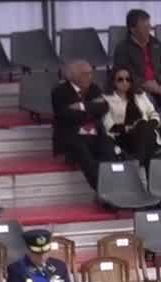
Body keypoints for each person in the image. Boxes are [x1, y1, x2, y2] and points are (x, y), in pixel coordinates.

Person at [50, 60, 113, 192]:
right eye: (85, 74)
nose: (90, 77)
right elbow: (66, 116)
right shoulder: (59, 91)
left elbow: (104, 107)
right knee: (84, 152)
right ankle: (102, 190)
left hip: (94, 132)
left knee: (108, 147)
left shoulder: (94, 88)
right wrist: (91, 110)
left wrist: (81, 106)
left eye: (90, 73)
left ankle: (116, 185)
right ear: (72, 76)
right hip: (72, 135)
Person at [112, 9, 161, 112]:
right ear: (133, 29)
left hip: (158, 86)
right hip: (139, 89)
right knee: (148, 103)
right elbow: (124, 72)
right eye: (145, 27)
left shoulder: (156, 44)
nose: (149, 29)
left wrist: (159, 81)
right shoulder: (122, 48)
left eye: (149, 25)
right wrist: (145, 84)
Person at [101, 65, 161, 167]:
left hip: (145, 133)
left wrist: (151, 124)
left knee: (143, 126)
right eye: (120, 80)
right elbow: (109, 126)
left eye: (128, 79)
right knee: (145, 132)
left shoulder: (140, 95)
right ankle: (146, 167)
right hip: (124, 137)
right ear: (113, 81)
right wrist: (129, 128)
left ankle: (139, 161)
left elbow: (153, 113)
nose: (125, 82)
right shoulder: (106, 99)